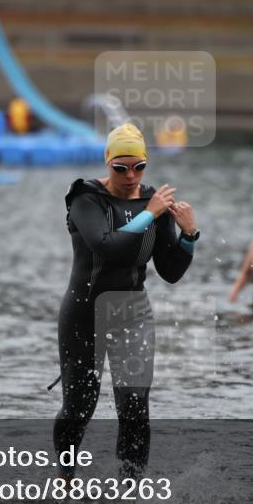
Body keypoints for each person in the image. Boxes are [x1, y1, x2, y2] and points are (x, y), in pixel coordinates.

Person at [53, 123, 198, 479]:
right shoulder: (85, 198)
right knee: (79, 405)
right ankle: (66, 480)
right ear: (107, 161)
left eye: (139, 166)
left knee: (134, 404)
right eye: (121, 167)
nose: (131, 175)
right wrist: (149, 213)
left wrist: (190, 235)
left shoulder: (154, 202)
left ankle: (130, 493)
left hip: (132, 313)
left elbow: (170, 271)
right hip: (85, 312)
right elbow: (105, 244)